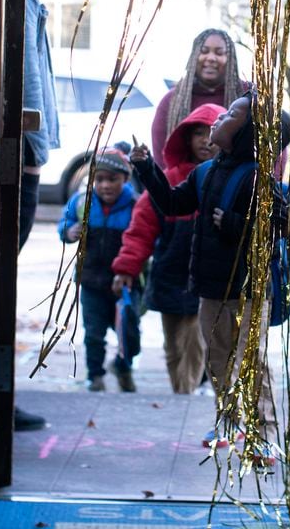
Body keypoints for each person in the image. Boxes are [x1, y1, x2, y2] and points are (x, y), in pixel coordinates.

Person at [130, 92, 290, 465]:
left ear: (251, 134)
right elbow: (173, 204)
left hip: (249, 290)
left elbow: (282, 224)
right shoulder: (204, 172)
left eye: (232, 114)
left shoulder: (256, 179)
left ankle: (265, 433)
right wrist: (146, 170)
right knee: (218, 361)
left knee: (254, 362)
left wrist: (235, 224)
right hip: (211, 289)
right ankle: (231, 420)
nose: (219, 119)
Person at [110, 103, 223, 394]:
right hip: (170, 275)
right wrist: (126, 268)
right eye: (198, 133)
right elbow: (141, 229)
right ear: (186, 138)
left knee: (197, 343)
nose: (205, 139)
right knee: (173, 345)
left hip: (208, 280)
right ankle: (181, 393)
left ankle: (185, 397)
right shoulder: (170, 180)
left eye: (212, 132)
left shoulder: (227, 180)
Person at [16, 0, 60, 431]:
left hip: (22, 157)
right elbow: (28, 76)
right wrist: (32, 153)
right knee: (0, 278)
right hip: (20, 163)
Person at [58, 148, 141, 393]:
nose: (105, 185)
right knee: (93, 333)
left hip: (125, 283)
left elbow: (147, 239)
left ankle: (123, 367)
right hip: (91, 282)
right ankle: (95, 376)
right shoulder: (82, 202)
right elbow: (65, 223)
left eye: (112, 179)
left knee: (129, 332)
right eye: (99, 179)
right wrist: (68, 231)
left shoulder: (136, 205)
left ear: (125, 179)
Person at [150, 29, 248, 171]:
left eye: (219, 53)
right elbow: (161, 157)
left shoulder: (248, 95)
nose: (211, 58)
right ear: (194, 56)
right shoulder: (172, 100)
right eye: (204, 51)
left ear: (231, 58)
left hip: (238, 186)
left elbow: (274, 144)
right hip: (183, 188)